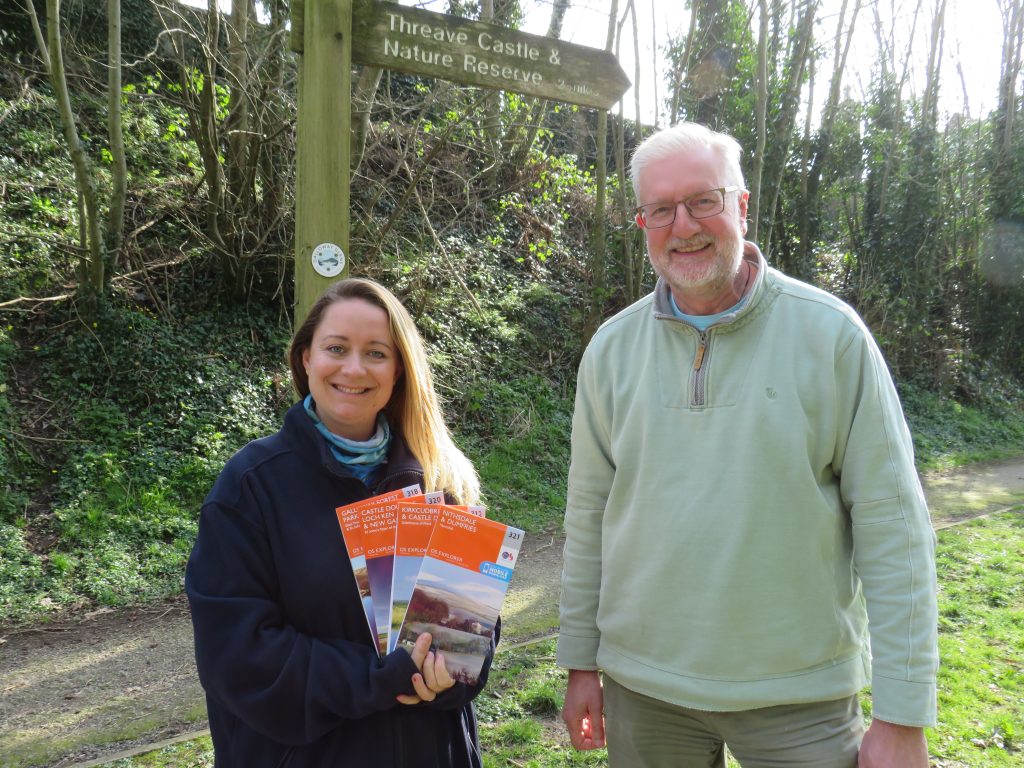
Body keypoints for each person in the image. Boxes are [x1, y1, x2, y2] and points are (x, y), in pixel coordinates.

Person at [557, 122, 938, 768]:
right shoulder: (610, 351)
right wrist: (578, 661)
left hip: (801, 698)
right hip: (644, 692)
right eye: (660, 210)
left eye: (704, 200)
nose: (683, 226)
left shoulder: (832, 338)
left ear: (741, 204)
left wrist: (902, 714)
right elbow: (588, 516)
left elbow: (894, 529)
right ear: (642, 222)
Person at [186, 277, 491, 767]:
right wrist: (380, 676)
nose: (354, 368)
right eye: (336, 348)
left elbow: (471, 636)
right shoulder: (249, 487)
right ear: (306, 358)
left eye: (375, 353)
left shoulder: (438, 478)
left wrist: (450, 672)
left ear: (398, 371)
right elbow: (238, 657)